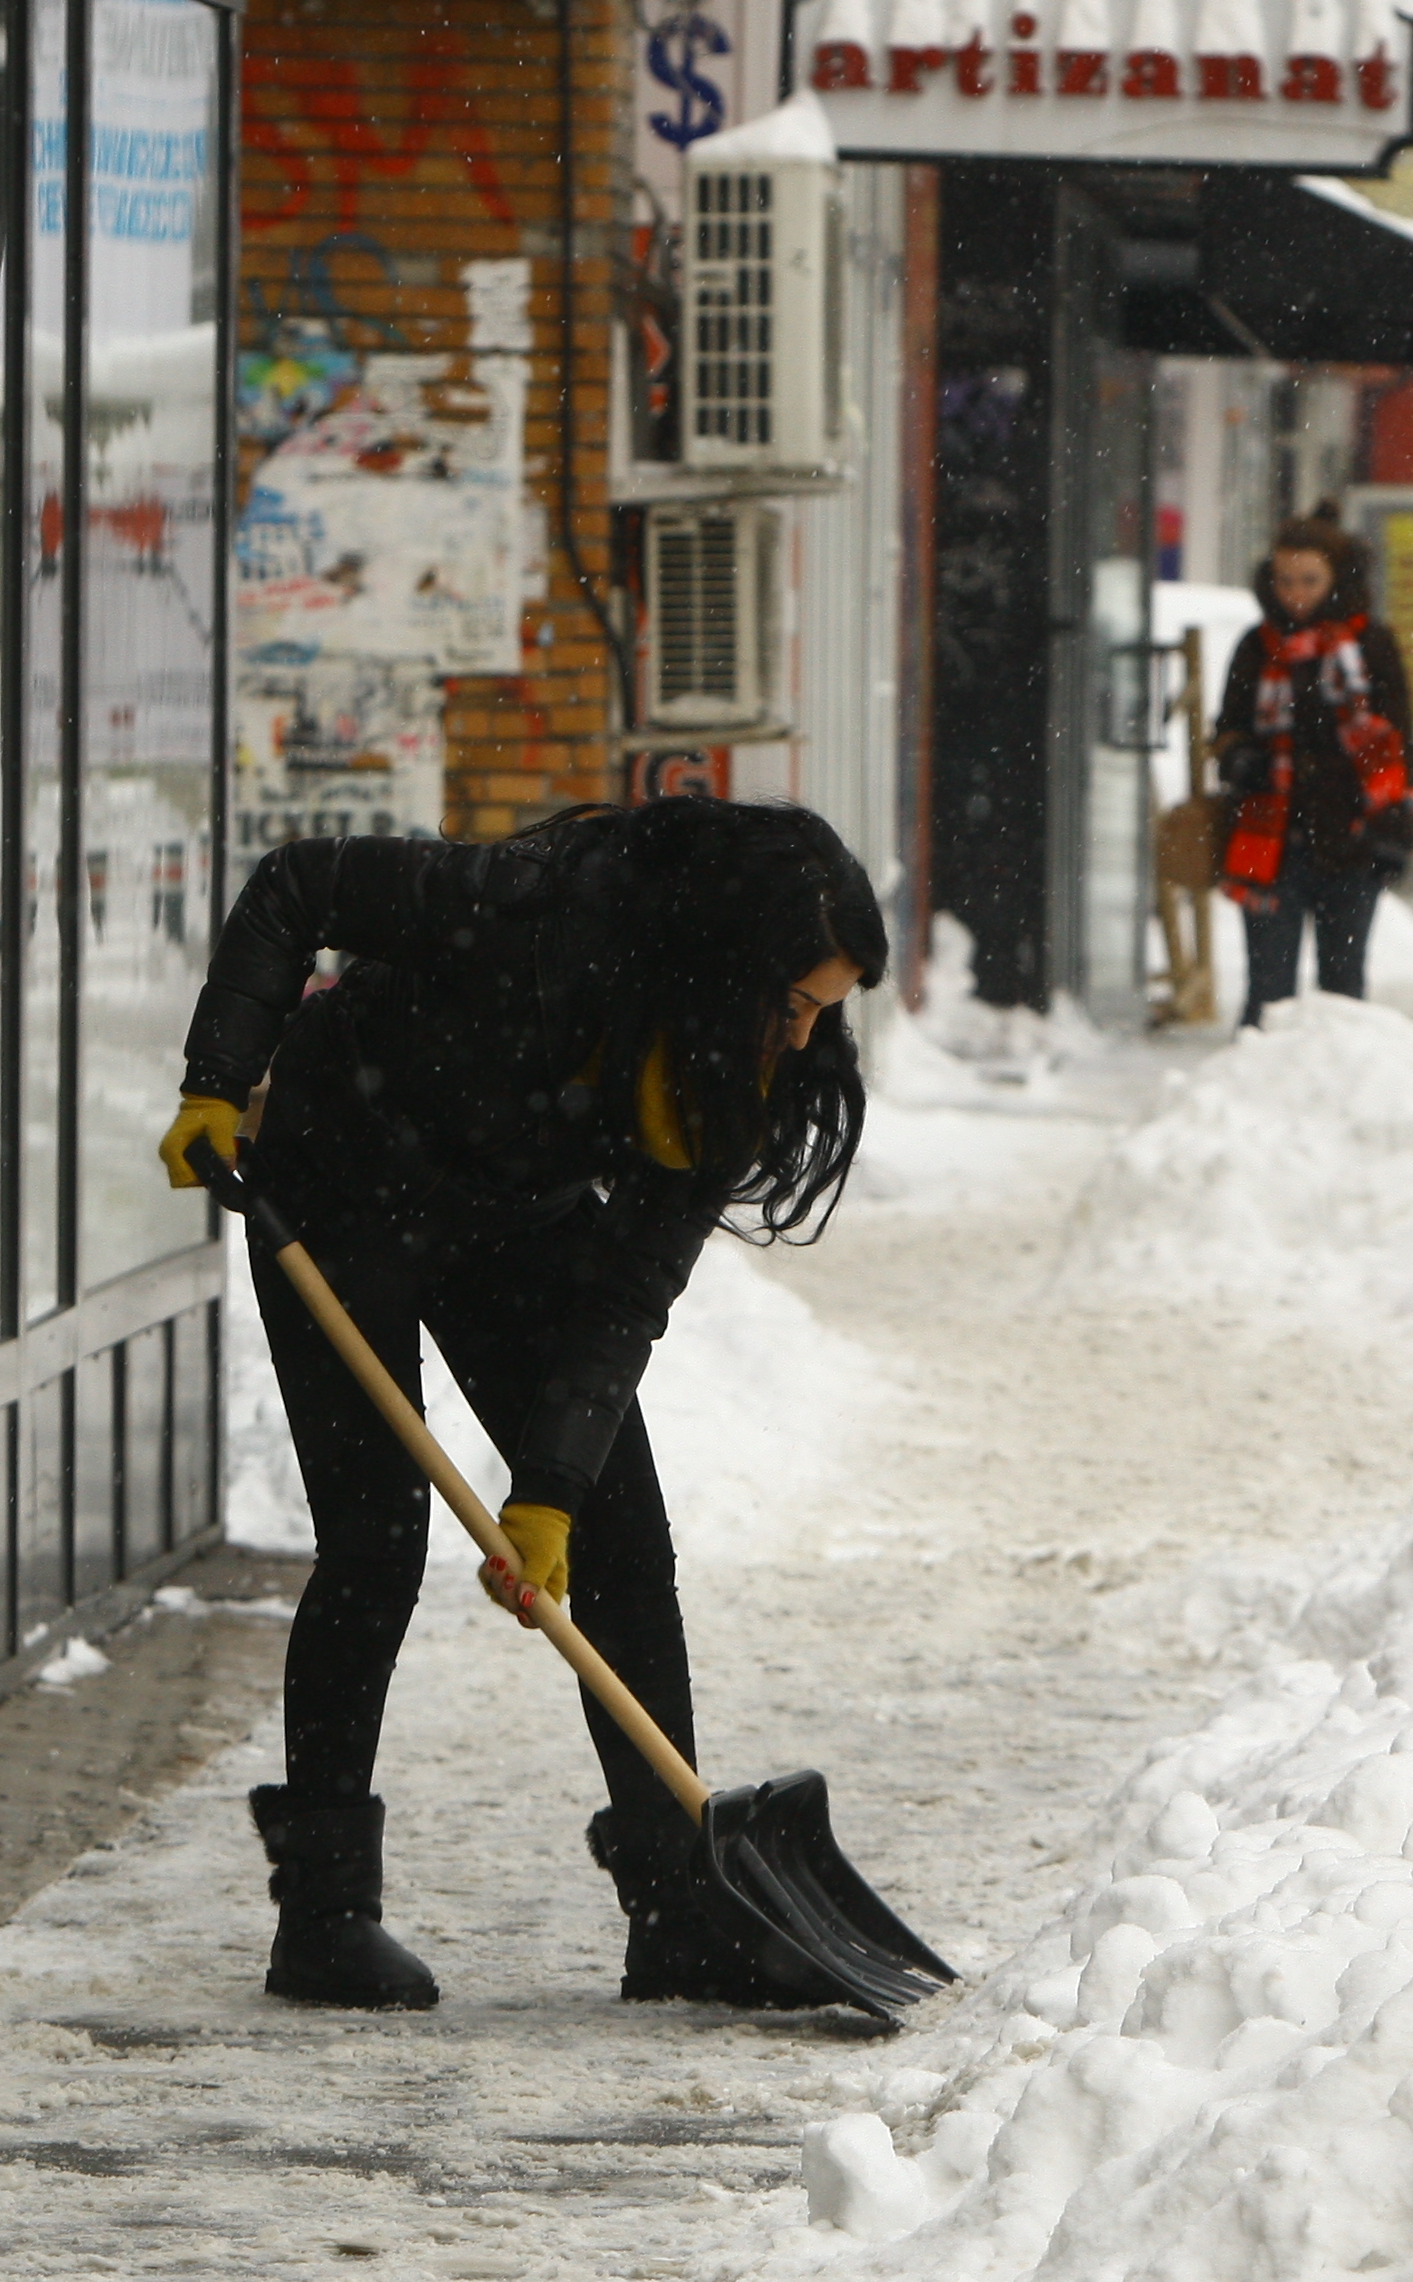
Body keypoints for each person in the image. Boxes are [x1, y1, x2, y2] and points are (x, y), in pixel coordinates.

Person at [155, 799, 883, 2012]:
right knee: (377, 1536)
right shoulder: (536, 909)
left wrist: (548, 1492)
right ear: (728, 963)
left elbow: (625, 1300)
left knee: (621, 1533)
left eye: (824, 1014)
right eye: (797, 1004)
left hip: (514, 1219)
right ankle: (325, 1918)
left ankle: (676, 1912)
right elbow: (297, 885)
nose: (805, 1041)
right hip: (346, 1174)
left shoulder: (721, 1078)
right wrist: (218, 1080)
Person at [1212, 515, 1413, 1024]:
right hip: (1270, 838)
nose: (1295, 594)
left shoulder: (1370, 646)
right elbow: (1229, 728)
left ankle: (1338, 1095)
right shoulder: (1257, 646)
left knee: (1343, 991)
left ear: (1337, 580)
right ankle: (1253, 1093)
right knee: (1267, 990)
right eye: (1284, 581)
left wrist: (1393, 824)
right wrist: (1241, 759)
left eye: (1309, 580)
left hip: (1351, 838)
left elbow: (1397, 738)